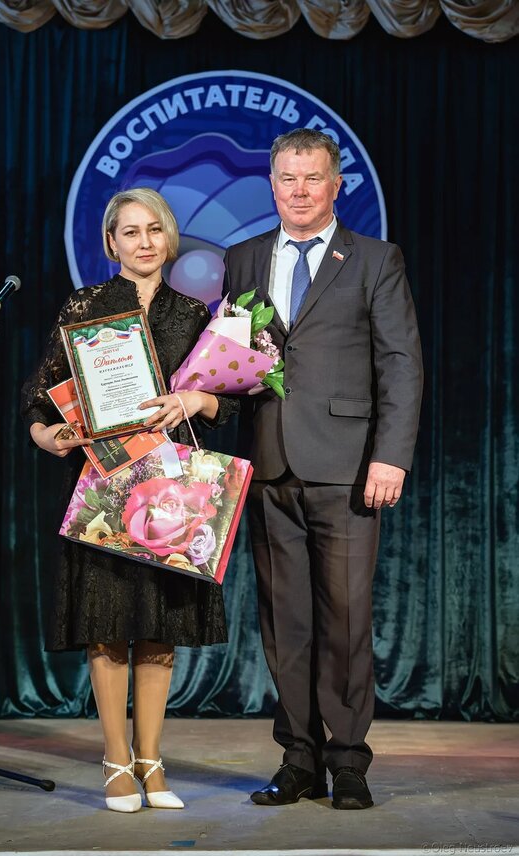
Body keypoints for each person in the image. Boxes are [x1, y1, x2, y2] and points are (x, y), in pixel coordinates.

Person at [222, 128, 423, 810]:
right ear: (272, 185)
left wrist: (390, 455)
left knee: (345, 619)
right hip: (270, 463)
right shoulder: (243, 258)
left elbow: (400, 362)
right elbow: (233, 355)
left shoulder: (374, 258)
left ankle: (348, 761)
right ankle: (299, 759)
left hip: (348, 466)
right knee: (285, 623)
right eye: (288, 178)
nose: (300, 190)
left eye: (313, 178)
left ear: (337, 186)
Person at [21, 188, 238, 813]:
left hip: (171, 490)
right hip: (104, 483)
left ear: (169, 239)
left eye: (154, 230)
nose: (144, 242)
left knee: (160, 629)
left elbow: (230, 403)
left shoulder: (194, 315)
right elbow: (39, 395)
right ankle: (117, 763)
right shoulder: (85, 306)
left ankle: (152, 762)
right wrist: (49, 436)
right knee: (107, 626)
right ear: (110, 242)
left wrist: (198, 401)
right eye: (130, 232)